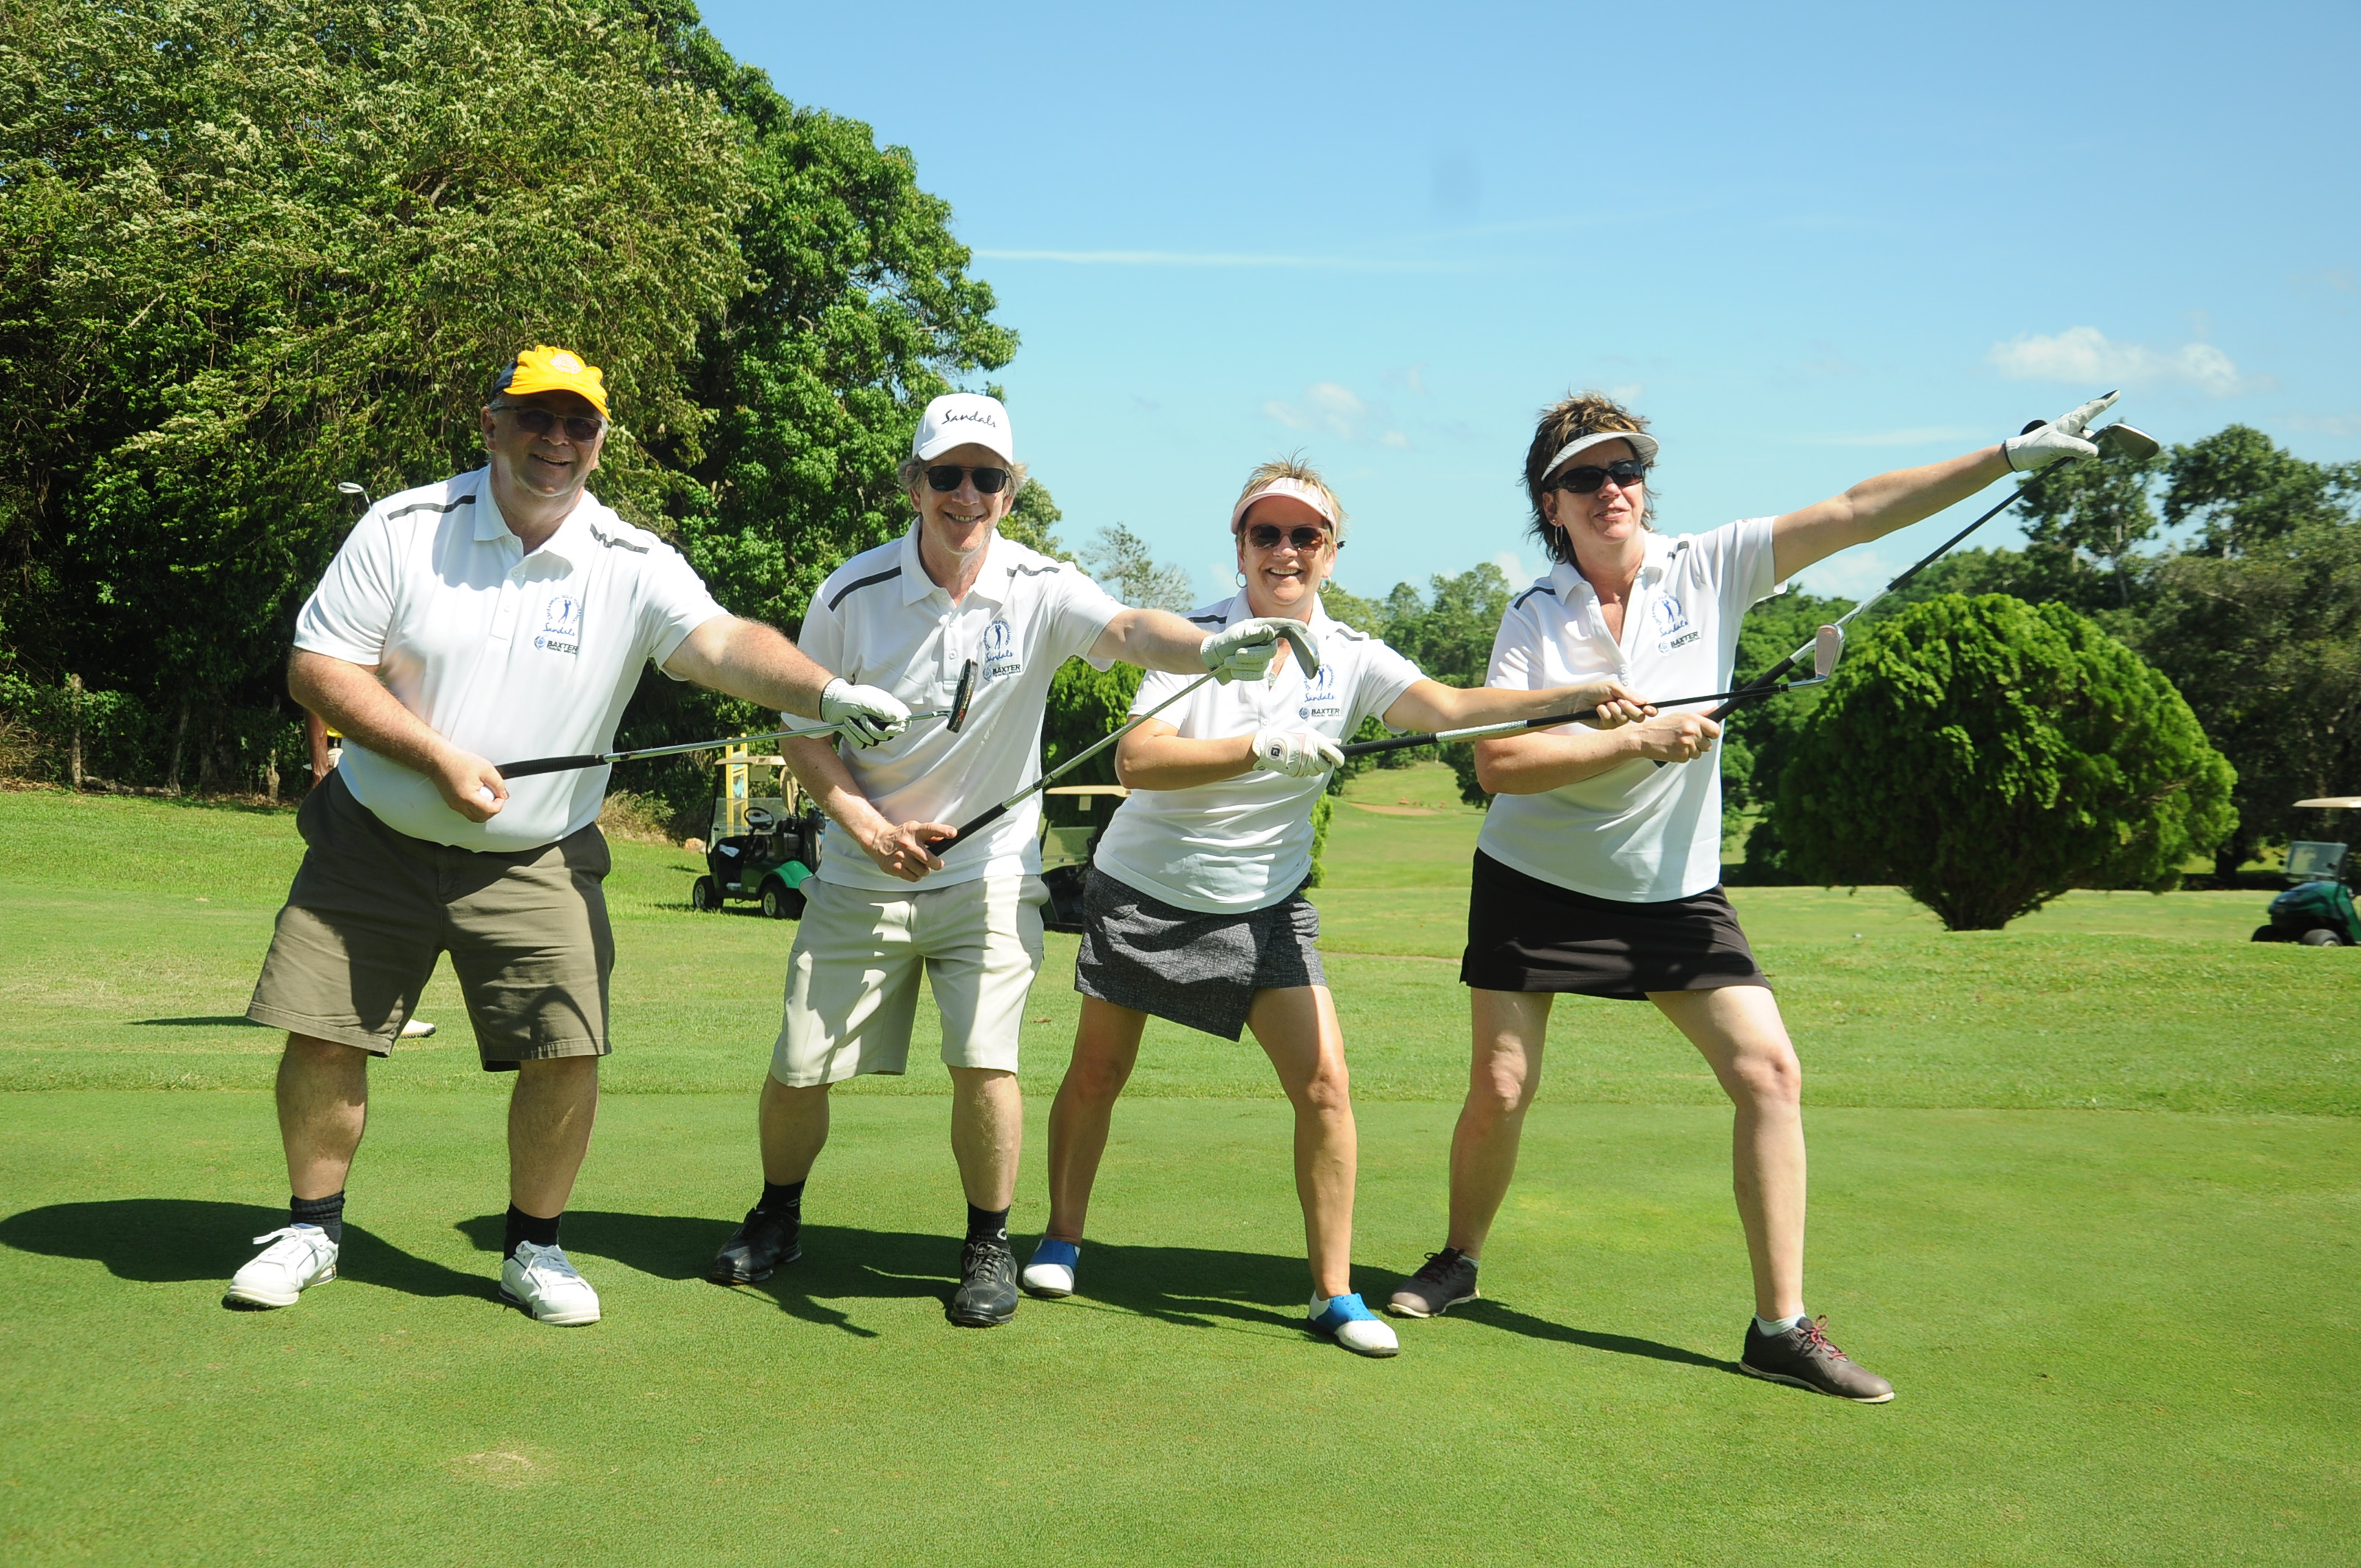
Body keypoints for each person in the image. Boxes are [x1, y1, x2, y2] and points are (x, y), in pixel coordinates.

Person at [1386, 389, 2119, 1400]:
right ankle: (1460, 1258)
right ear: (1549, 503)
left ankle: (1779, 1327)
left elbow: (1858, 511)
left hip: (1672, 891)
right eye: (1584, 477)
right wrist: (1636, 741)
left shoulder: (1711, 564)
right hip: (1537, 879)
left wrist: (2006, 456)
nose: (1611, 489)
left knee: (1770, 1073)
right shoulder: (1535, 616)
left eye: (1625, 469)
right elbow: (1500, 766)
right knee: (1503, 1087)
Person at [226, 344, 907, 1326]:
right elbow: (319, 669)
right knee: (326, 1034)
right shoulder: (406, 527)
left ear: (600, 442)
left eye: (579, 423)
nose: (557, 439)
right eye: (536, 417)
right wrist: (437, 758)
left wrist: (827, 691)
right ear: (491, 423)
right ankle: (312, 1230)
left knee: (564, 1048)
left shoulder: (631, 560)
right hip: (374, 835)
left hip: (539, 854)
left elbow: (721, 644)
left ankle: (533, 1248)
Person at [1017, 459, 1647, 1356]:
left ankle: (1332, 1294)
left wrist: (1575, 699)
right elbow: (1138, 761)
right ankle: (1062, 1239)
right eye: (1265, 533)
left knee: (1325, 1087)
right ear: (1239, 547)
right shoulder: (1199, 641)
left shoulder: (1353, 656)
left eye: (1304, 535)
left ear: (1332, 552)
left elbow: (1451, 708)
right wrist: (1259, 747)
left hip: (1268, 905)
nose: (1285, 550)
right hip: (1149, 891)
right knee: (1098, 1074)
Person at [706, 394, 1311, 1327]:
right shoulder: (850, 595)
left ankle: (987, 1243)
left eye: (987, 477)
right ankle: (777, 1214)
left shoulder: (1041, 585)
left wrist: (1208, 647)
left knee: (985, 1060)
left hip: (988, 872)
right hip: (862, 871)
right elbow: (802, 733)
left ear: (1010, 492)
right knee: (799, 1064)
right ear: (914, 485)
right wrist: (866, 827)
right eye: (947, 475)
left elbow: (1128, 632)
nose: (967, 494)